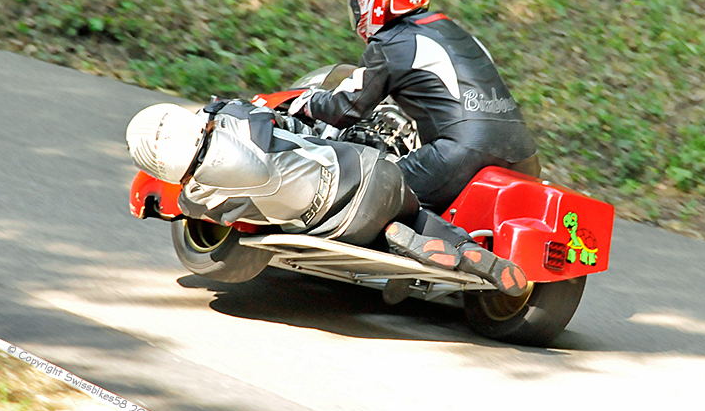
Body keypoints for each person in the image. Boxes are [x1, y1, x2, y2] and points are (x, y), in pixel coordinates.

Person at [125, 100, 528, 296]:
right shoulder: (239, 117)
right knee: (413, 210)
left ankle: (396, 239)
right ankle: (467, 248)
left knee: (364, 225)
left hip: (340, 227)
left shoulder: (198, 200)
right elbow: (283, 115)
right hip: (371, 172)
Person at [289, 0, 540, 215]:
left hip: (460, 155)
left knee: (372, 193)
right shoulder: (456, 33)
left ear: (374, 1)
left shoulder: (391, 42)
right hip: (524, 156)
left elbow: (345, 108)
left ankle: (454, 252)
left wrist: (306, 102)